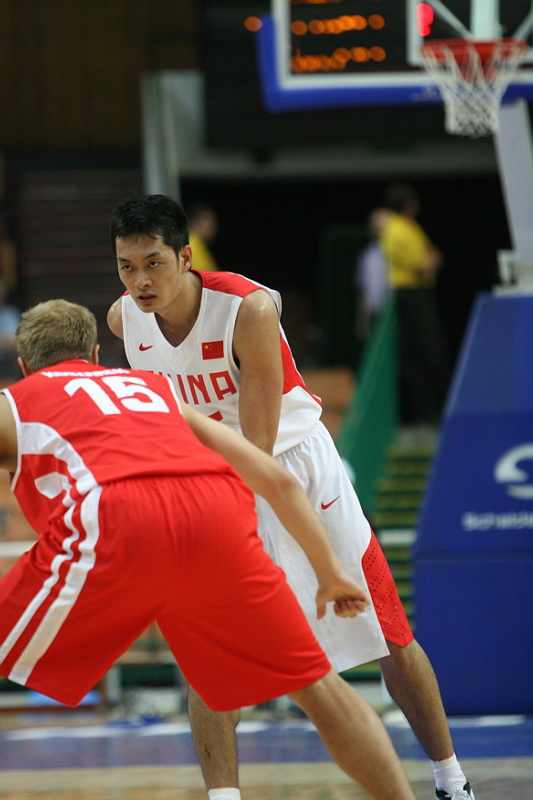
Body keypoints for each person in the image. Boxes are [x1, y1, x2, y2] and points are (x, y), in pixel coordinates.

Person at [107, 194, 475, 800]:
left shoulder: (247, 310)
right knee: (208, 651)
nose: (140, 281)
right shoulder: (125, 320)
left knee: (387, 633)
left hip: (294, 468)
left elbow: (259, 445)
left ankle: (451, 780)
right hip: (216, 479)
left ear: (186, 257)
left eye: (154, 264)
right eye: (127, 267)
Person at [0, 298, 419, 800]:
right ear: (93, 354)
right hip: (217, 512)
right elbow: (276, 480)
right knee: (320, 689)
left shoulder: (15, 400)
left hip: (116, 515)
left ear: (23, 366)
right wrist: (328, 572)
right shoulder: (152, 387)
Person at [380, 183, 451, 431]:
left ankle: (434, 411)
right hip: (410, 294)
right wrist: (430, 262)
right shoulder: (396, 230)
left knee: (426, 354)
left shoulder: (409, 227)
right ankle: (430, 413)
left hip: (417, 293)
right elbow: (426, 264)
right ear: (409, 205)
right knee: (426, 353)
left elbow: (433, 255)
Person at [353, 207, 391, 344]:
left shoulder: (396, 253)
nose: (378, 229)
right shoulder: (367, 256)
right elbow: (362, 290)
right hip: (374, 316)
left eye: (383, 225)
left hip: (395, 315)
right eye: (375, 225)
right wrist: (362, 321)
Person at [187, 201, 219, 272]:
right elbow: (208, 274)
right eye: (209, 224)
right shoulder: (193, 244)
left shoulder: (195, 242)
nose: (214, 227)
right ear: (195, 222)